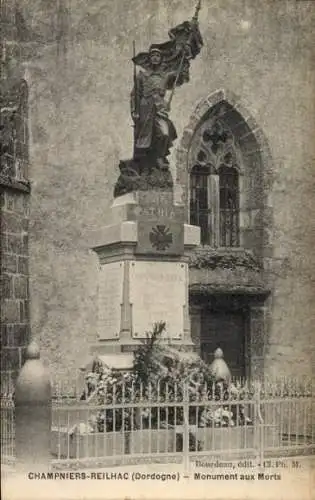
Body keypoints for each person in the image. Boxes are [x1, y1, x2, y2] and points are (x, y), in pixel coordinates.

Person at [131, 45, 182, 168]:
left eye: (158, 56)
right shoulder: (142, 75)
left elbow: (180, 71)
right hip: (145, 107)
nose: (155, 58)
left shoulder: (165, 75)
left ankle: (160, 156)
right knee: (143, 135)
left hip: (159, 108)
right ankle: (143, 162)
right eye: (152, 55)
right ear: (149, 59)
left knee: (164, 133)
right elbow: (135, 94)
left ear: (161, 59)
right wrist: (134, 110)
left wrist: (183, 52)